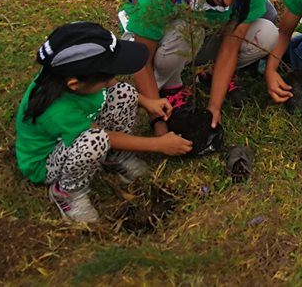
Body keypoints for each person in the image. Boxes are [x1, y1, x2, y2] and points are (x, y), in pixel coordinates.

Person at [121, 0, 302, 134]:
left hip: (199, 39)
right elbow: (141, 59)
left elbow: (230, 47)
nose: (228, 1)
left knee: (266, 34)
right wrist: (158, 122)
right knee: (190, 30)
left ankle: (208, 74)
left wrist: (214, 107)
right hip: (156, 44)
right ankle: (169, 84)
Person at [15, 22, 191, 224]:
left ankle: (113, 158)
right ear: (74, 84)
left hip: (78, 135)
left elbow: (108, 83)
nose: (111, 78)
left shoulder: (67, 73)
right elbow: (104, 137)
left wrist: (147, 102)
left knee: (125, 93)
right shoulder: (57, 111)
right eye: (107, 75)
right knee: (95, 141)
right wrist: (158, 145)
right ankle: (66, 192)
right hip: (46, 162)